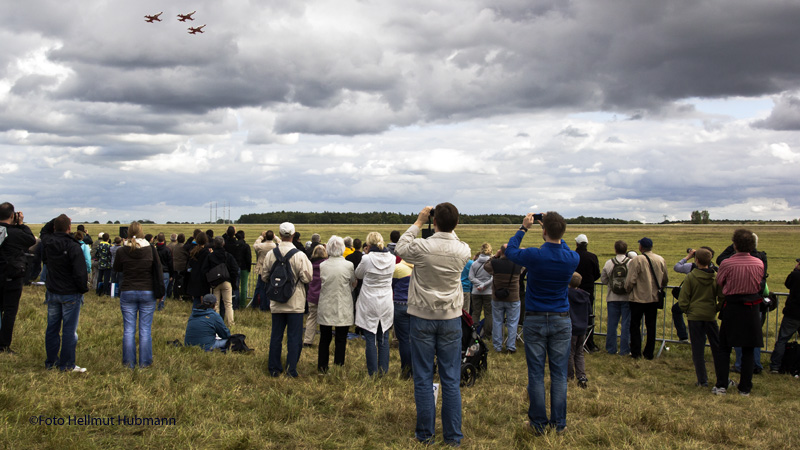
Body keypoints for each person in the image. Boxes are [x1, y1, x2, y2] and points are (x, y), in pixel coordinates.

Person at [395, 203, 470, 445]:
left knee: (423, 377)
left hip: (422, 316)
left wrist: (419, 222)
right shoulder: (462, 250)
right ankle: (453, 436)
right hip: (450, 318)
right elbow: (453, 237)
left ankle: (425, 434)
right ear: (456, 225)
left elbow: (400, 247)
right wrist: (447, 226)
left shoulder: (422, 247)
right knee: (450, 379)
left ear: (434, 222)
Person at [505, 212, 579, 435]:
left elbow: (510, 251)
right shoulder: (572, 258)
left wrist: (523, 228)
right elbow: (561, 247)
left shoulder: (535, 255)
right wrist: (554, 230)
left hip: (536, 318)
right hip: (561, 319)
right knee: (559, 375)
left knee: (536, 374)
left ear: (543, 231)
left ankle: (538, 423)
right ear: (563, 232)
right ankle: (559, 424)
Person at [715, 229, 765, 396]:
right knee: (749, 349)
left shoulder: (727, 263)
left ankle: (722, 385)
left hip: (733, 305)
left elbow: (720, 281)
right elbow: (759, 283)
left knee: (724, 347)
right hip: (751, 307)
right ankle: (745, 387)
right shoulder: (759, 263)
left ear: (734, 244)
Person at [262, 222, 312, 377]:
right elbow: (307, 277)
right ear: (293, 234)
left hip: (276, 301)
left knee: (276, 336)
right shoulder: (299, 255)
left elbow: (264, 276)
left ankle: (274, 368)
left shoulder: (271, 254)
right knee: (294, 338)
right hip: (295, 302)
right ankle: (291, 369)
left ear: (280, 234)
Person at [42, 214, 89, 372]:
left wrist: (56, 219)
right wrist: (82, 289)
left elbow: (44, 231)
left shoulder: (48, 241)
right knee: (69, 330)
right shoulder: (73, 245)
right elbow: (80, 272)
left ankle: (51, 362)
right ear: (69, 228)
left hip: (53, 290)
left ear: (54, 227)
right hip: (70, 293)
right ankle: (67, 364)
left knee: (52, 328)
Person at [113, 221, 162, 369]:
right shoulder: (151, 249)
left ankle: (129, 363)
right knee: (145, 329)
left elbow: (117, 268)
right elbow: (158, 271)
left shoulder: (122, 250)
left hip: (128, 290)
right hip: (147, 291)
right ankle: (145, 363)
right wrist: (161, 292)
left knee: (129, 329)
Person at [677, 248, 725, 388]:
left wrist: (688, 310)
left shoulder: (691, 277)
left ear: (696, 260)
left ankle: (702, 380)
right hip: (710, 316)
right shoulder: (716, 277)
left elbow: (683, 299)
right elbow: (722, 297)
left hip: (695, 316)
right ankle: (721, 377)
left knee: (698, 349)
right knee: (717, 348)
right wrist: (715, 309)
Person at [355, 232, 396, 376]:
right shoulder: (392, 258)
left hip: (369, 300)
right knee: (383, 336)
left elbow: (358, 274)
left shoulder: (367, 258)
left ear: (368, 244)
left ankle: (372, 371)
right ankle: (383, 370)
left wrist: (365, 255)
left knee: (370, 337)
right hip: (385, 300)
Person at [316, 236, 357, 373]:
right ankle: (339, 365)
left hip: (326, 303)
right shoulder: (348, 265)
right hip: (343, 303)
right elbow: (353, 282)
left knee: (325, 338)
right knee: (341, 338)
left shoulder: (323, 265)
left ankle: (322, 366)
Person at [0, 202, 36, 353]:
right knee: (9, 311)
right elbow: (31, 240)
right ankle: (3, 345)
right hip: (12, 277)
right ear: (12, 215)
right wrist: (20, 224)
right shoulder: (15, 233)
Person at [624, 237, 668, 360]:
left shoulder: (637, 260)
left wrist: (628, 289)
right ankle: (649, 353)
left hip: (638, 297)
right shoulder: (660, 259)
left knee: (635, 326)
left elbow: (630, 280)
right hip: (653, 298)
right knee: (651, 326)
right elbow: (665, 279)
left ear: (641, 247)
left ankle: (636, 352)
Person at [672, 247, 718, 342]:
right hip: (709, 305)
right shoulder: (715, 270)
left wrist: (688, 256)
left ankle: (683, 335)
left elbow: (677, 267)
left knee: (676, 310)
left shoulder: (691, 267)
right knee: (712, 333)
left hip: (693, 304)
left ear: (697, 258)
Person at [483, 244, 523, 353]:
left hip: (497, 297)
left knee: (497, 322)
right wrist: (519, 253)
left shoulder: (495, 263)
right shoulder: (517, 263)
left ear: (501, 251)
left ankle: (497, 346)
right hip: (513, 297)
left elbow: (486, 266)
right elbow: (524, 267)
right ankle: (510, 346)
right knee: (512, 323)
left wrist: (495, 256)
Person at [600, 240, 632, 356]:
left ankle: (611, 349)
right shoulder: (631, 262)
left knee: (612, 324)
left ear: (615, 249)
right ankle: (624, 349)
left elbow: (603, 279)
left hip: (612, 297)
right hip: (627, 297)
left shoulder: (609, 263)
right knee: (626, 324)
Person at [770, 259, 800, 373]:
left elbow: (788, 284)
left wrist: (794, 271)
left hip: (792, 313)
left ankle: (775, 366)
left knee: (782, 339)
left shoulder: (795, 275)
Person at [202, 236, 239, 327]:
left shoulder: (210, 256)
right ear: (223, 244)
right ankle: (231, 323)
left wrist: (209, 280)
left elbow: (204, 270)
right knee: (228, 304)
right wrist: (232, 282)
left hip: (215, 282)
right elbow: (235, 269)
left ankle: (217, 323)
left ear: (214, 244)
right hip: (226, 281)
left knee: (216, 304)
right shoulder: (228, 255)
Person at [574, 234, 601, 352]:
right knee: (588, 316)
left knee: (572, 315)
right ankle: (588, 342)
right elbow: (597, 274)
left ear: (577, 244)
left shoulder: (573, 256)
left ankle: (573, 341)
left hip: (573, 290)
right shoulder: (592, 257)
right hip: (588, 291)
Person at [567, 272, 590, 388]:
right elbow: (589, 310)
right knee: (579, 353)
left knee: (570, 352)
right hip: (582, 327)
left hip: (571, 326)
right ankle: (581, 376)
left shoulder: (567, 294)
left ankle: (569, 375)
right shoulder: (585, 295)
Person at [392, 257, 414, 378]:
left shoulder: (398, 268)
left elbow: (392, 285)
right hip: (416, 306)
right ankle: (417, 368)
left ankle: (406, 370)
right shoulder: (419, 268)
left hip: (400, 304)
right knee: (416, 339)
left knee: (404, 340)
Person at [303, 245, 328, 347]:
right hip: (324, 296)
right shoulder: (327, 265)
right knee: (325, 320)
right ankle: (324, 341)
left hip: (313, 295)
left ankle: (308, 340)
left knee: (311, 318)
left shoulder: (309, 265)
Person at [469, 243, 494, 338]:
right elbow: (493, 278)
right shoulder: (492, 264)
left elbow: (470, 277)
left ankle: (474, 333)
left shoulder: (475, 264)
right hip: (488, 292)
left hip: (476, 291)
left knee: (476, 312)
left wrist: (479, 284)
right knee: (489, 314)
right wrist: (484, 285)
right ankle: (488, 334)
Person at [253, 230, 279, 310]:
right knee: (271, 288)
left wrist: (261, 237)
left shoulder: (261, 245)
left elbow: (255, 245)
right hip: (273, 269)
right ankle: (270, 305)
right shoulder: (275, 246)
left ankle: (262, 306)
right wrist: (275, 237)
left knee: (262, 288)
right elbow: (282, 243)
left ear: (266, 237)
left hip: (262, 269)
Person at [155, 233, 173, 311]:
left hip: (156, 271)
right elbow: (170, 263)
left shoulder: (154, 249)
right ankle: (161, 304)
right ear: (164, 239)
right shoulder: (167, 249)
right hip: (165, 272)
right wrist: (172, 274)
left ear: (157, 239)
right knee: (164, 289)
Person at [234, 230, 251, 309]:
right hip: (244, 267)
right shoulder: (246, 246)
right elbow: (248, 258)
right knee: (244, 286)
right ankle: (242, 304)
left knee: (236, 286)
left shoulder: (234, 245)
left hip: (236, 266)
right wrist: (249, 267)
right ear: (243, 236)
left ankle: (235, 302)